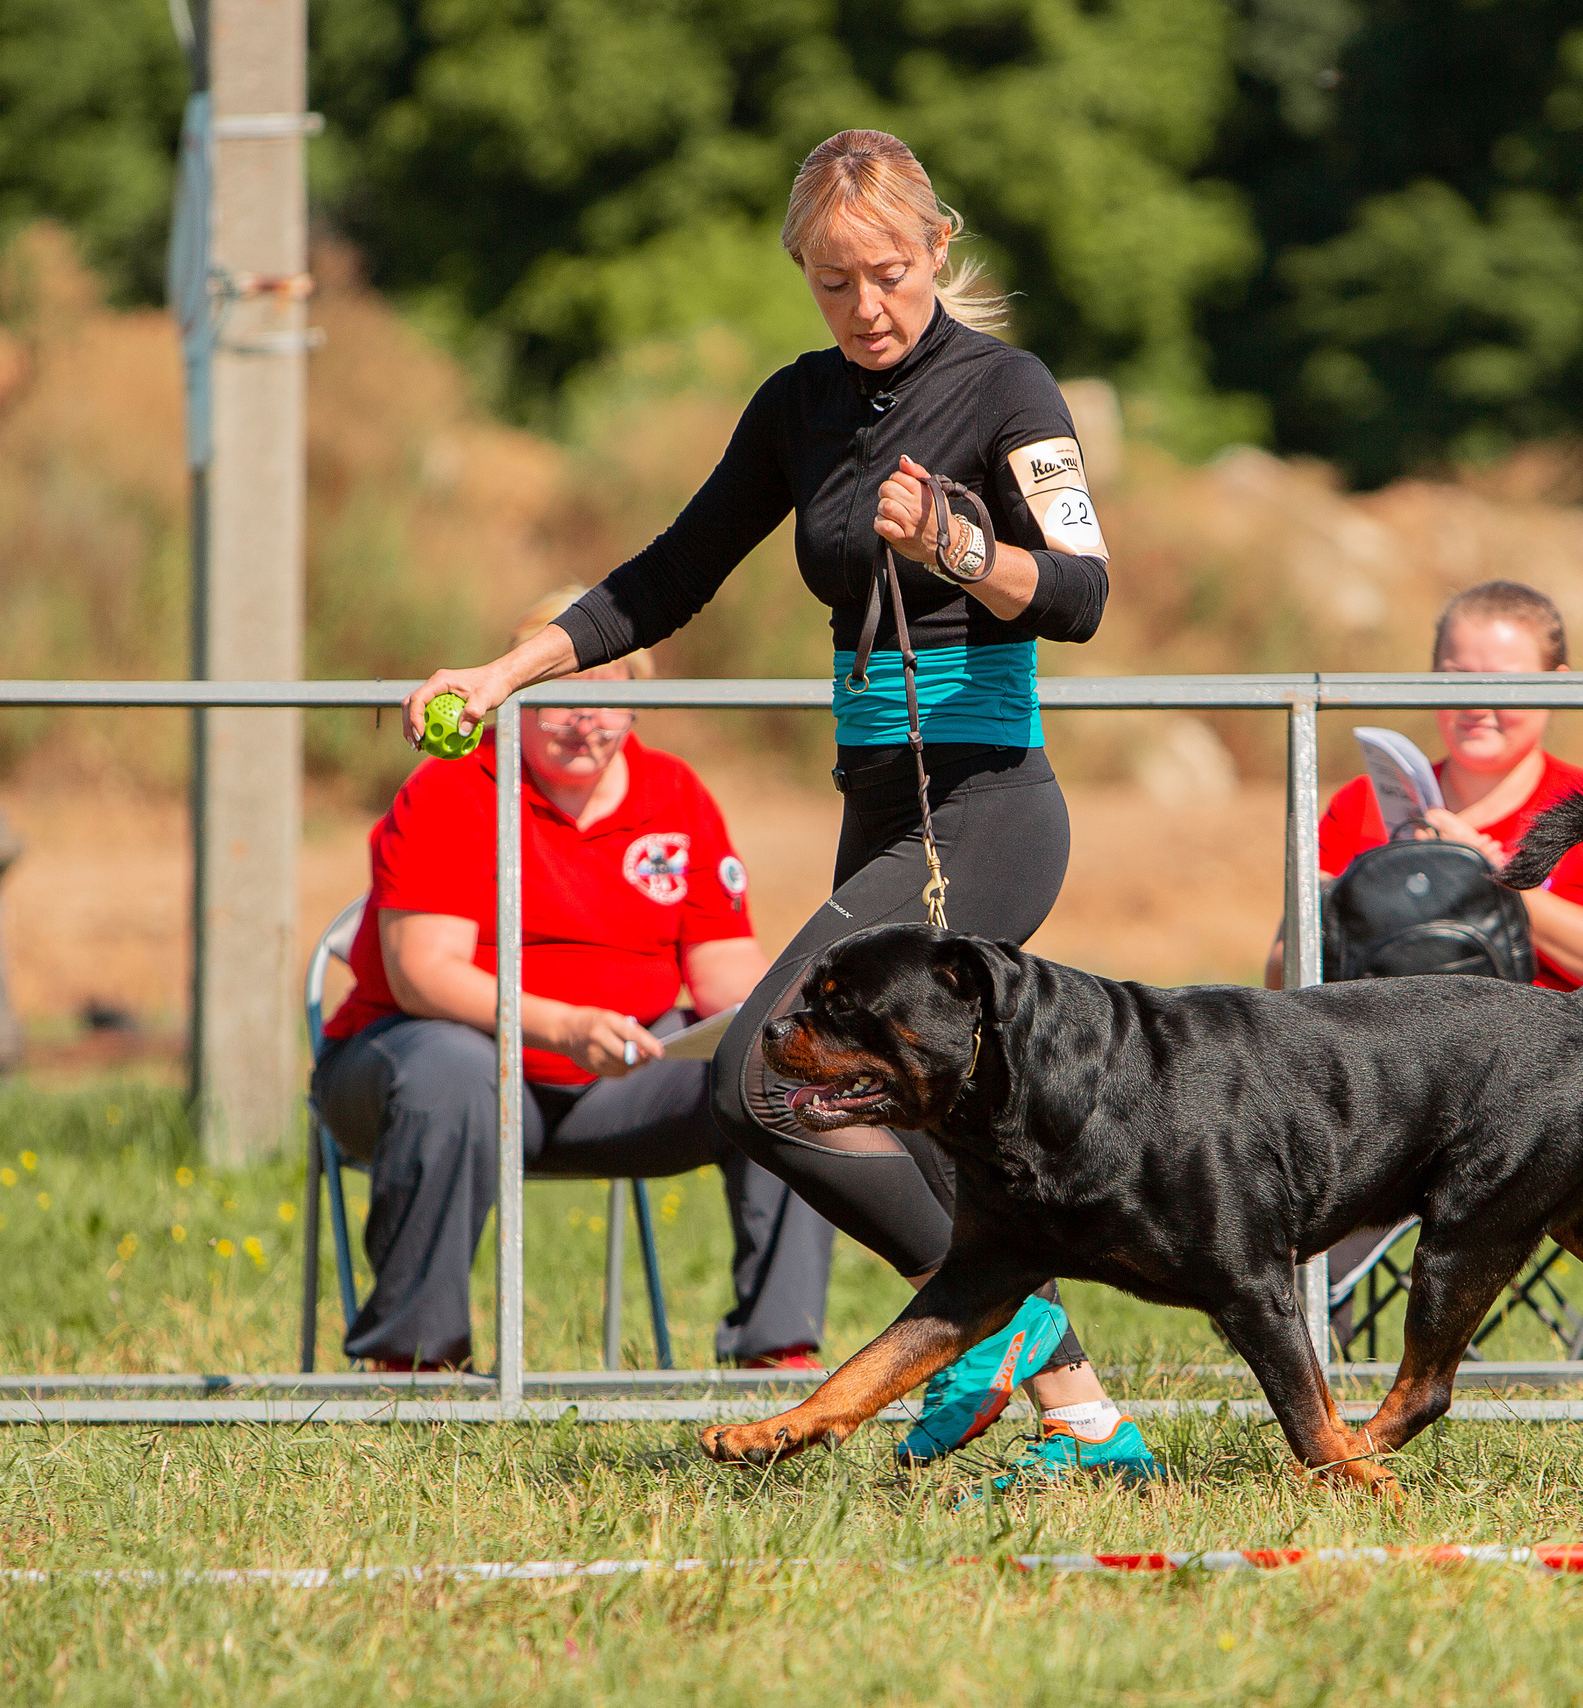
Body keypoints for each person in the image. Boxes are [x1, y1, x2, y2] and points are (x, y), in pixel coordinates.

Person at [403, 130, 1154, 1489]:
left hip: (983, 803)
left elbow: (1085, 593)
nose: (865, 309)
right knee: (910, 1115)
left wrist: (965, 551)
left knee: (767, 1075)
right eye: (831, 283)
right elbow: (668, 574)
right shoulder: (800, 404)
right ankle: (1085, 1421)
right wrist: (507, 669)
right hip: (876, 808)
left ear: (938, 247)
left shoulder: (1009, 388)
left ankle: (1001, 1331)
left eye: (886, 274)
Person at [317, 590, 834, 1372]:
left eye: (608, 700)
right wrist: (563, 1027)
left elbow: (724, 964)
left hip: (624, 1080)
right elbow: (423, 975)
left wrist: (795, 1014)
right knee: (453, 1072)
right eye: (560, 700)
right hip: (433, 1071)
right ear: (514, 695)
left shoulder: (677, 797)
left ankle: (778, 1363)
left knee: (784, 1066)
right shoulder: (451, 790)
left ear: (637, 705)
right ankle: (415, 1368)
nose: (585, 721)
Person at [1267, 580, 1583, 992]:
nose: (1476, 704)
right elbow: (1282, 974)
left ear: (1556, 685)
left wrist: (1488, 882)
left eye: (1505, 683)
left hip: (1546, 1050)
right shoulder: (1362, 802)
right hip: (1391, 1045)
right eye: (1457, 680)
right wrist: (1378, 892)